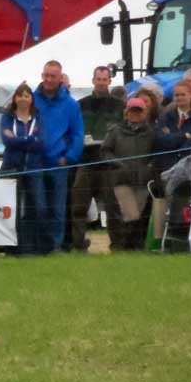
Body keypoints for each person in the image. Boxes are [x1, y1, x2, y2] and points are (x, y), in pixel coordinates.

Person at [31, 60, 84, 252]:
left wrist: (69, 157)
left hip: (59, 163)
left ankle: (54, 246)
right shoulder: (31, 100)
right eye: (46, 75)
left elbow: (78, 134)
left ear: (60, 78)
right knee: (38, 207)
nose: (48, 80)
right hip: (35, 163)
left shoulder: (71, 105)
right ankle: (39, 246)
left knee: (57, 209)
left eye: (53, 76)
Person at [69, 65, 123, 250]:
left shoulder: (119, 106)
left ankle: (117, 246)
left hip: (109, 164)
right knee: (78, 207)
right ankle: (77, 245)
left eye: (104, 79)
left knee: (113, 207)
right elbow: (74, 131)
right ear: (93, 80)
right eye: (98, 79)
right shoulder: (80, 104)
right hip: (86, 162)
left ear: (109, 81)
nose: (101, 82)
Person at [101, 98, 155, 251]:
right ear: (126, 112)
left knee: (137, 214)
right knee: (130, 214)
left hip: (143, 180)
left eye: (139, 111)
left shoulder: (151, 132)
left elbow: (156, 152)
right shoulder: (115, 130)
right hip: (121, 179)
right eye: (132, 110)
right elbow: (105, 151)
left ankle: (132, 247)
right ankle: (126, 246)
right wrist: (119, 165)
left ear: (144, 113)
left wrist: (149, 167)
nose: (135, 114)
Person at [0, 82, 43, 255]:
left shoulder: (39, 117)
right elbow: (7, 141)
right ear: (15, 98)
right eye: (20, 95)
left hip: (33, 167)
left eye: (27, 95)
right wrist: (29, 140)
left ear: (31, 99)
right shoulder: (7, 117)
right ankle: (12, 249)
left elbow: (41, 142)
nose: (23, 98)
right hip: (11, 167)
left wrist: (19, 140)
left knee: (36, 207)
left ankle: (33, 248)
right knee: (12, 209)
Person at [153, 78, 191, 174]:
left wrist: (172, 138)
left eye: (183, 94)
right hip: (167, 168)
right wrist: (185, 136)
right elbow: (160, 140)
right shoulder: (165, 117)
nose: (179, 98)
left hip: (190, 170)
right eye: (177, 95)